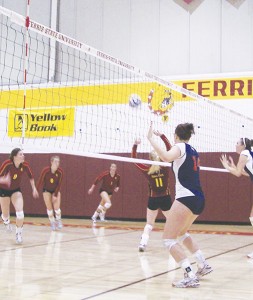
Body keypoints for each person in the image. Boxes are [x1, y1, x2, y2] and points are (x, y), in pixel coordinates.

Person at [147, 122, 212, 288]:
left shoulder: (180, 148)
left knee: (168, 240)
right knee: (182, 233)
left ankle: (190, 275)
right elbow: (171, 153)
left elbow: (167, 156)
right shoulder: (192, 150)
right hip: (198, 198)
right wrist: (162, 136)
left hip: (186, 198)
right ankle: (202, 264)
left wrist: (151, 139)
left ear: (176, 136)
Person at [131, 131, 172, 252]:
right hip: (165, 198)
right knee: (170, 221)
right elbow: (169, 150)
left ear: (149, 159)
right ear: (159, 157)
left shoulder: (147, 169)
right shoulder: (165, 166)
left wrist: (135, 145)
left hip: (153, 199)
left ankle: (143, 243)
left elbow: (134, 159)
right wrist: (162, 136)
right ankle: (169, 243)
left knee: (149, 224)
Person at [220, 137, 253, 258]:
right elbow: (246, 173)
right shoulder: (248, 153)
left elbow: (238, 173)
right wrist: (232, 165)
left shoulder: (244, 153)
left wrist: (226, 166)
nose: (235, 145)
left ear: (243, 145)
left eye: (237, 143)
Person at [0, 148, 39, 244]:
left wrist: (34, 188)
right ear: (14, 156)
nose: (23, 156)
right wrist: (4, 180)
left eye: (23, 154)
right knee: (5, 215)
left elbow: (31, 177)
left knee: (20, 213)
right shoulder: (7, 164)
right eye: (21, 154)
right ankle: (6, 221)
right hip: (3, 190)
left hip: (15, 190)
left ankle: (18, 234)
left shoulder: (25, 165)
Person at [37, 155, 64, 231]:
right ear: (51, 162)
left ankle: (58, 220)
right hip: (46, 190)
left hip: (55, 190)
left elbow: (59, 184)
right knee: (49, 208)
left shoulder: (60, 172)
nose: (57, 163)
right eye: (55, 161)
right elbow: (40, 180)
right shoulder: (46, 170)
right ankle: (52, 222)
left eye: (58, 162)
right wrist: (36, 189)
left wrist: (55, 195)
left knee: (57, 208)